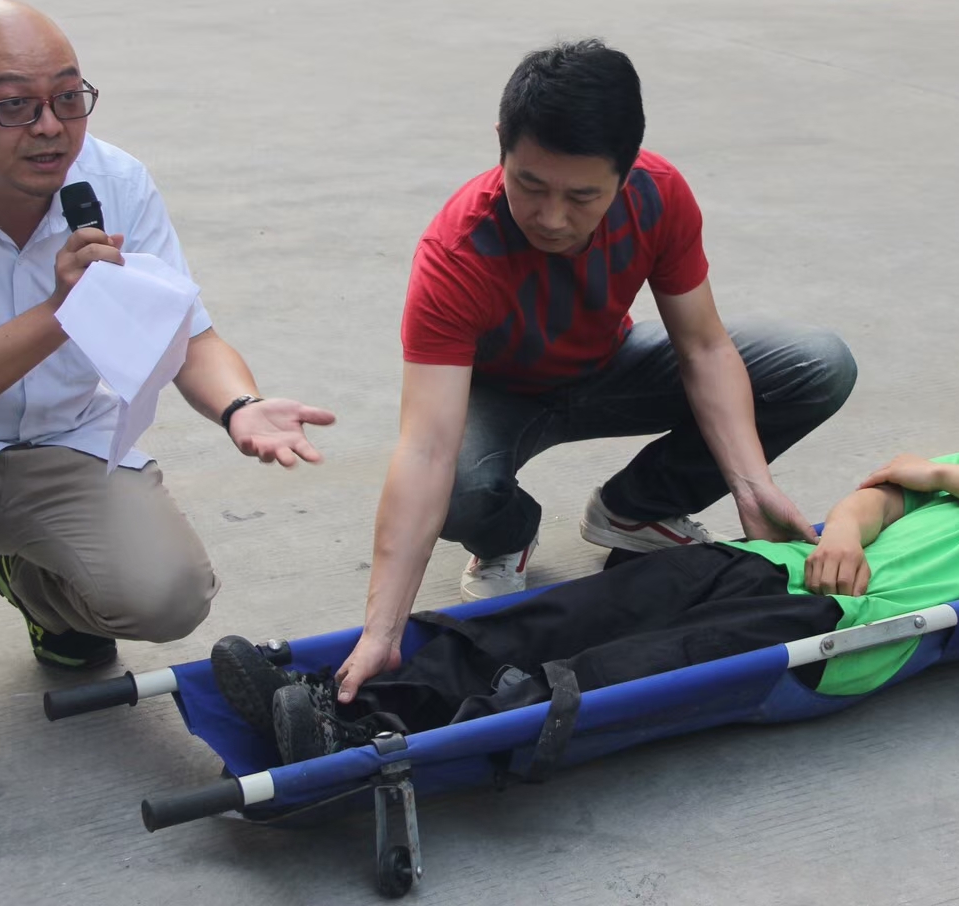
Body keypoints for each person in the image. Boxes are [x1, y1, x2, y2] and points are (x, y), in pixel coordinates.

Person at [0, 0, 335, 801]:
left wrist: (241, 406)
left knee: (170, 595)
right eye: (15, 105)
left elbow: (187, 332)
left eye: (68, 98)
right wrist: (59, 311)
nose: (51, 128)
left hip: (63, 442)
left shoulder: (116, 180)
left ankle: (36, 589)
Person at [337, 39, 857, 701]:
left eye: (582, 196)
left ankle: (636, 510)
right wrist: (381, 631)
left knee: (816, 364)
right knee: (460, 486)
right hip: (499, 395)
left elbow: (703, 348)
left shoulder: (658, 194)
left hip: (609, 366)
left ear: (626, 171)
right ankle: (508, 534)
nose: (552, 218)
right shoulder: (459, 251)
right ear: (501, 144)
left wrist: (751, 487)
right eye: (530, 185)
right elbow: (427, 447)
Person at [215, 449, 959, 764]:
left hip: (843, 630)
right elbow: (876, 491)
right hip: (776, 565)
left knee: (619, 670)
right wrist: (845, 532)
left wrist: (929, 470)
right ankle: (330, 686)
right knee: (562, 616)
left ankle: (375, 733)